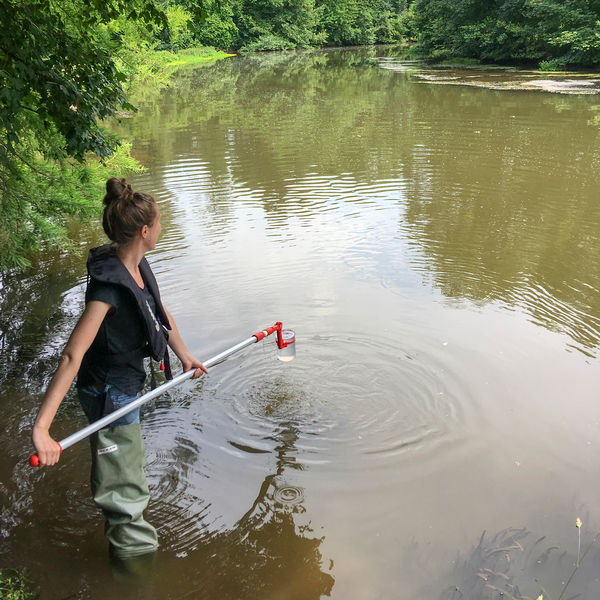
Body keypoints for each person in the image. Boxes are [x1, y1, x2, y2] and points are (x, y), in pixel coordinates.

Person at [32, 177, 207, 559]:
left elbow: (158, 314)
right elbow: (71, 356)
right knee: (124, 494)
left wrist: (185, 355)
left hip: (125, 385)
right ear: (145, 231)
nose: (162, 228)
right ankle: (135, 568)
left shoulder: (137, 266)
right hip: (110, 392)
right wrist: (42, 428)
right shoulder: (107, 291)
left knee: (123, 471)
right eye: (159, 223)